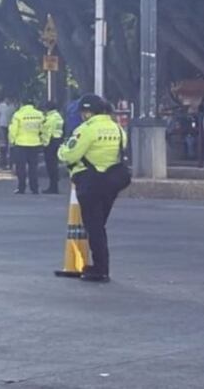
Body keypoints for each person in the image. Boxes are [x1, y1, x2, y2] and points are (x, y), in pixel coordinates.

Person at [58, 94, 129, 283]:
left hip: (90, 182)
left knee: (94, 226)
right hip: (112, 182)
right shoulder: (117, 128)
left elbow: (69, 154)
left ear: (87, 112)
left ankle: (100, 268)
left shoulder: (86, 130)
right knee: (99, 224)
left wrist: (61, 150)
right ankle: (100, 265)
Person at [9, 98, 46, 194]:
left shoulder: (18, 114)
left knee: (21, 167)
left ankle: (21, 188)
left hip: (21, 144)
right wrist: (42, 140)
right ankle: (34, 188)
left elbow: (13, 129)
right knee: (33, 167)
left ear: (22, 104)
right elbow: (43, 129)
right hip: (35, 143)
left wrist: (12, 140)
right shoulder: (39, 114)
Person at [42, 100, 64, 194]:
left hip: (50, 142)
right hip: (57, 140)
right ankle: (54, 186)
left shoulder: (50, 118)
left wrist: (44, 143)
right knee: (54, 165)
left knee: (51, 165)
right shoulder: (58, 116)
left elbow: (48, 132)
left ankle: (53, 187)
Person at [0, 96, 16, 169]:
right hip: (2, 126)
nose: (8, 100)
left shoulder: (13, 107)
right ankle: (2, 163)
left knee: (11, 145)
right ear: (4, 99)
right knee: (3, 145)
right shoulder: (0, 106)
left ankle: (11, 163)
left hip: (11, 126)